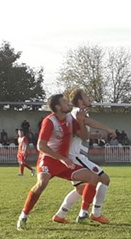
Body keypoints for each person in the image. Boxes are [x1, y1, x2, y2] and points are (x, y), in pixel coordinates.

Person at [16, 94, 101, 230]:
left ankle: (83, 215)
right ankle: (23, 216)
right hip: (49, 160)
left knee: (93, 178)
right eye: (64, 102)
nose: (68, 103)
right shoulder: (49, 121)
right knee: (42, 183)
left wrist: (80, 121)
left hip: (65, 161)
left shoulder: (69, 118)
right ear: (57, 107)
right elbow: (41, 146)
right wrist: (62, 158)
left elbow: (85, 137)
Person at [52, 88, 118, 225]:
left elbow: (78, 133)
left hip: (77, 155)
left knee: (81, 189)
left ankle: (60, 214)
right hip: (77, 156)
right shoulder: (77, 112)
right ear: (80, 101)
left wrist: (93, 136)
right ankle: (93, 214)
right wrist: (108, 129)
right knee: (104, 179)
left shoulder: (78, 114)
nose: (89, 97)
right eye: (86, 95)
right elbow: (88, 122)